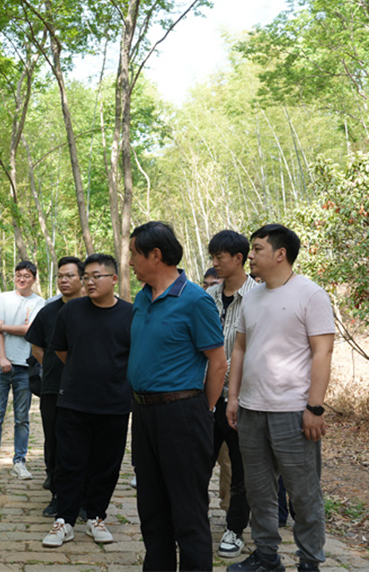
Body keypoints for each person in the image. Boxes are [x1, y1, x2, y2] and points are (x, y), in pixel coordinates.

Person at [226, 224, 335, 572]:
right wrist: (233, 397)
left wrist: (314, 407)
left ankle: (309, 561)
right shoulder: (252, 295)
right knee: (259, 491)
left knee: (303, 494)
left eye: (257, 249)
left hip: (293, 411)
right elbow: (240, 347)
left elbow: (323, 352)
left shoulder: (310, 294)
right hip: (251, 409)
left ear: (280, 254)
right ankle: (267, 556)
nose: (251, 255)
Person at [127, 221, 227, 571]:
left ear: (156, 255)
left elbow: (218, 363)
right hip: (143, 415)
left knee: (187, 510)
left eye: (134, 255)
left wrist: (204, 409)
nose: (129, 262)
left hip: (182, 414)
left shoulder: (195, 300)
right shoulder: (141, 298)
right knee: (151, 509)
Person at [41, 254, 133, 548]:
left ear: (114, 279)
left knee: (107, 464)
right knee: (70, 463)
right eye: (87, 277)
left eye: (97, 276)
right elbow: (61, 350)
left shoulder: (131, 314)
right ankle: (64, 521)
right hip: (73, 402)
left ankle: (96, 517)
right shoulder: (72, 312)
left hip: (114, 404)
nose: (90, 282)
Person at [206, 230, 259, 559]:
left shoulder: (261, 296)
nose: (214, 263)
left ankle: (234, 528)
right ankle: (193, 521)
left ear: (239, 258)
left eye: (219, 257)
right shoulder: (207, 296)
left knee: (242, 470)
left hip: (245, 399)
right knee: (197, 464)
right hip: (208, 397)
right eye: (212, 257)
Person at [25, 256, 84, 516]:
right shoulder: (48, 312)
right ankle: (58, 497)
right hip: (53, 387)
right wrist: (54, 364)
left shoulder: (92, 308)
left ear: (82, 278)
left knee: (84, 443)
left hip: (87, 389)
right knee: (55, 442)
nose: (64, 280)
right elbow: (37, 346)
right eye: (60, 276)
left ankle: (84, 499)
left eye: (70, 275)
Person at [0, 260, 46, 481]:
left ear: (34, 279)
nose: (21, 279)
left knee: (22, 418)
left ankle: (19, 461)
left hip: (26, 366)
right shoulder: (4, 298)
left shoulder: (39, 302)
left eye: (26, 275)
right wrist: (2, 358)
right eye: (18, 275)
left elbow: (30, 330)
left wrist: (3, 326)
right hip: (0, 364)